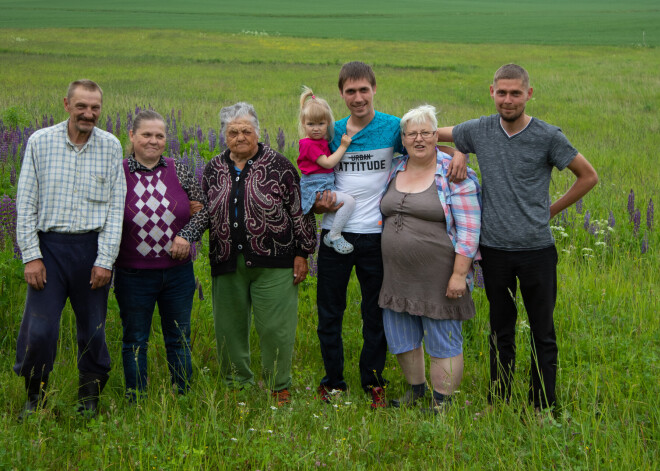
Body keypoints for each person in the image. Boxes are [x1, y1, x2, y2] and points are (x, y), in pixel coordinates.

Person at [438, 64, 598, 411]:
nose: (507, 100)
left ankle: (543, 406)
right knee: (500, 332)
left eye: (515, 93)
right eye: (501, 92)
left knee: (543, 332)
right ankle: (498, 402)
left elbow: (588, 176)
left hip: (537, 251)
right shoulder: (479, 129)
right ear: (491, 92)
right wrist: (460, 149)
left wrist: (550, 211)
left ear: (529, 94)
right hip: (494, 251)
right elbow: (428, 133)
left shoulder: (548, 136)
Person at [313, 61, 468, 408]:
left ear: (374, 89)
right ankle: (333, 382)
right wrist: (315, 204)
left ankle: (373, 382)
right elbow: (312, 169)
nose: (357, 97)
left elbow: (426, 138)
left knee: (376, 314)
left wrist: (461, 148)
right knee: (330, 314)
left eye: (363, 90)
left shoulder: (392, 127)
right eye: (350, 91)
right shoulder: (332, 132)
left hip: (375, 239)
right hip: (334, 233)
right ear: (341, 94)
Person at [14, 79, 126, 419]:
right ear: (66, 105)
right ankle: (35, 400)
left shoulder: (111, 146)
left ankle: (88, 401)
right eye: (81, 106)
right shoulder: (40, 142)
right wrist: (31, 255)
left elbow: (115, 209)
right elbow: (25, 202)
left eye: (94, 107)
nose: (88, 113)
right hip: (48, 248)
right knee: (41, 328)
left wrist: (104, 260)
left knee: (92, 328)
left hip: (92, 249)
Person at [203, 102, 316, 406]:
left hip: (276, 260)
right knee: (229, 327)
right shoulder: (213, 168)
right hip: (226, 259)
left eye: (246, 130)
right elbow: (203, 211)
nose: (240, 137)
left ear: (257, 132)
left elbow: (299, 210)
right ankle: (237, 385)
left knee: (276, 329)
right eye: (233, 131)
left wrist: (303, 251)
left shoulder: (279, 165)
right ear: (224, 135)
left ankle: (279, 386)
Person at [380, 105, 481, 411]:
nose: (419, 139)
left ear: (437, 135)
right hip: (396, 274)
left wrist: (458, 275)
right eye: (412, 133)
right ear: (404, 139)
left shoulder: (454, 171)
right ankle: (416, 390)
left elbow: (469, 229)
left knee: (443, 337)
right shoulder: (396, 167)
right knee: (400, 334)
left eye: (426, 132)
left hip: (440, 274)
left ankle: (442, 402)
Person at [113, 110, 207, 400]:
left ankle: (183, 397)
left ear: (166, 139)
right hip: (133, 273)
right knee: (135, 340)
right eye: (146, 135)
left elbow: (203, 211)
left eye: (159, 136)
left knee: (178, 338)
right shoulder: (118, 172)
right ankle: (136, 399)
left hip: (177, 273)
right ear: (132, 136)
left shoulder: (177, 169)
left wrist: (186, 236)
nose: (153, 141)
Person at [297, 86, 355, 254]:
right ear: (303, 124)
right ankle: (334, 235)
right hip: (317, 187)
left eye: (321, 123)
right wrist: (343, 146)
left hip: (324, 185)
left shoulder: (321, 141)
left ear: (328, 123)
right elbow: (328, 163)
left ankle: (334, 233)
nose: (316, 128)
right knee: (349, 202)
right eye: (311, 124)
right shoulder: (308, 144)